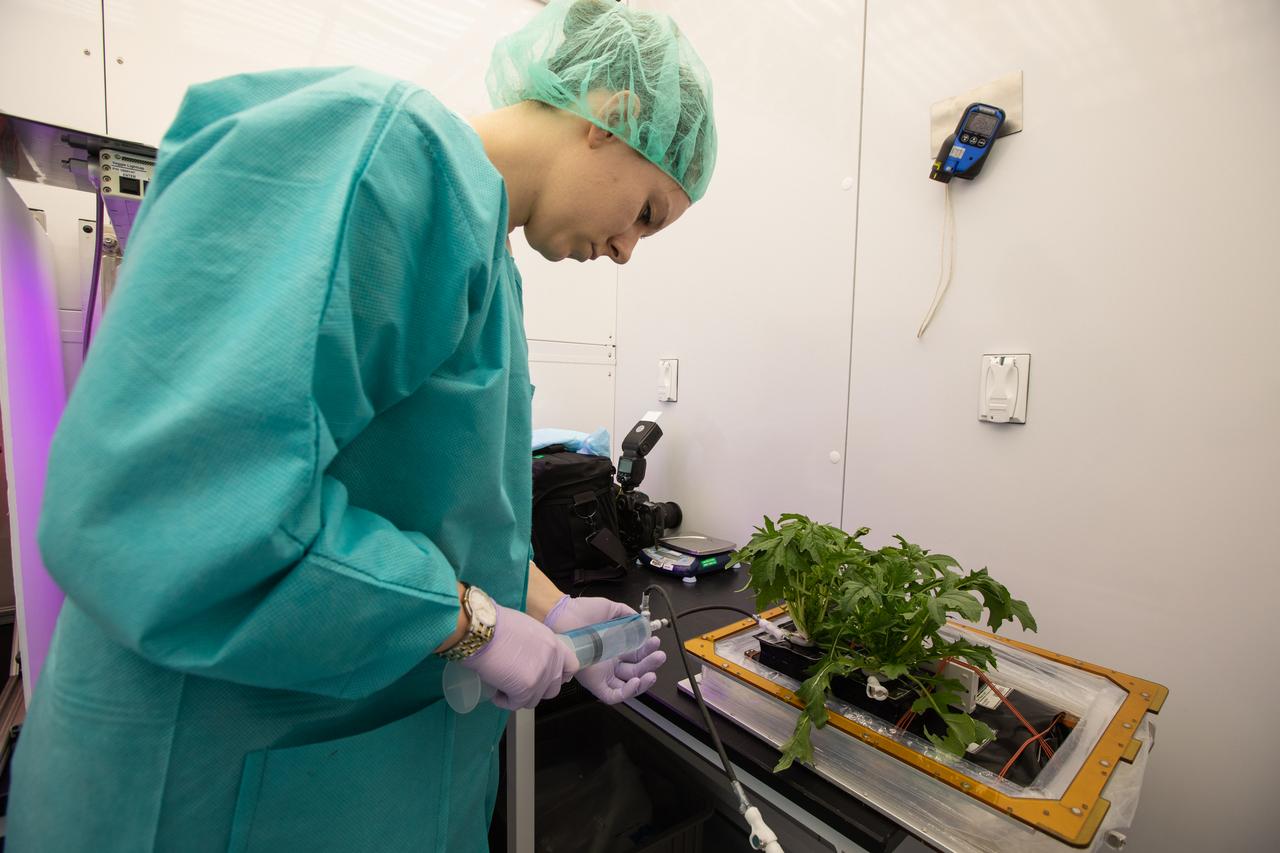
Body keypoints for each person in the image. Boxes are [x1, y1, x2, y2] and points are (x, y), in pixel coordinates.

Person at [6, 1, 716, 850]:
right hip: (211, 778)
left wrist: (553, 608)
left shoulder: (486, 259)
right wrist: (472, 626)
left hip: (358, 774)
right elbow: (178, 510)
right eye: (646, 212)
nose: (628, 249)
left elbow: (438, 510)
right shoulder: (381, 153)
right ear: (614, 112)